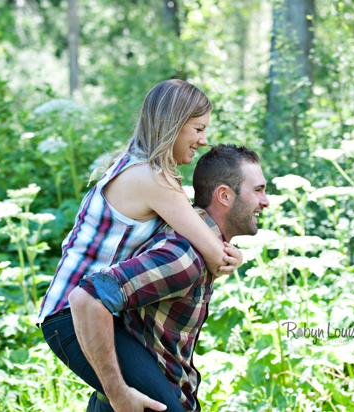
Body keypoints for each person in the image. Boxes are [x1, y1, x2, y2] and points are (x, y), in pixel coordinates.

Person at [37, 80, 244, 411]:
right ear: (174, 125)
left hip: (103, 311)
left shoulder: (140, 168)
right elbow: (216, 255)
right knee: (159, 407)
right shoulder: (151, 178)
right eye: (198, 129)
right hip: (73, 315)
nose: (204, 141)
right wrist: (233, 255)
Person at [69, 144, 270, 412]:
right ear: (224, 195)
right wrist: (118, 395)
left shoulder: (204, 247)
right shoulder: (184, 256)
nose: (266, 201)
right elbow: (89, 297)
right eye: (258, 190)